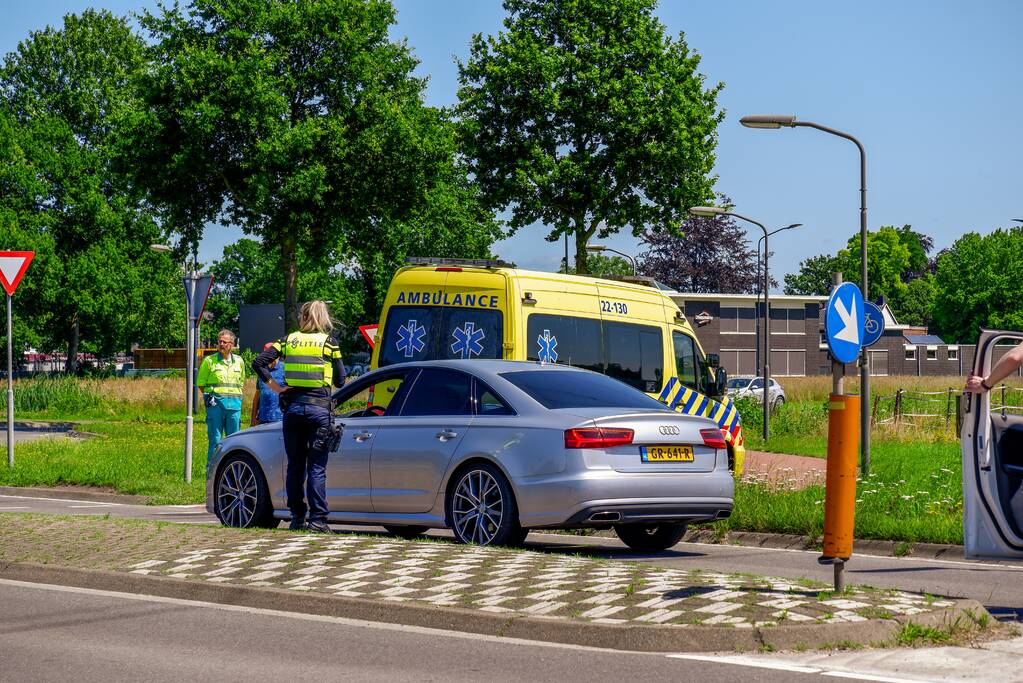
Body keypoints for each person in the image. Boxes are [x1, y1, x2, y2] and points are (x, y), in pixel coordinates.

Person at [253, 301, 345, 532]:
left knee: (295, 465)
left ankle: (296, 517)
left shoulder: (288, 340)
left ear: (303, 316)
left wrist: (277, 388)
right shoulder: (329, 343)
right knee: (316, 467)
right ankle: (318, 520)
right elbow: (341, 381)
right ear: (323, 317)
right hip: (318, 411)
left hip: (293, 410)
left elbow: (259, 362)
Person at [197, 329, 245, 464]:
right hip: (216, 406)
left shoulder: (239, 361)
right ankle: (212, 473)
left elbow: (241, 382)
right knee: (216, 441)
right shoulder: (209, 361)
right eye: (220, 341)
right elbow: (201, 383)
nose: (221, 344)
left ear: (232, 344)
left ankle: (230, 471)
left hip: (234, 406)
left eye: (225, 342)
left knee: (234, 441)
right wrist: (210, 397)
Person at [249, 343, 286, 427]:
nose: (270, 359)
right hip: (262, 418)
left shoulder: (285, 370)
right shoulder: (261, 370)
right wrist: (253, 417)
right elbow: (257, 395)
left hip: (280, 419)